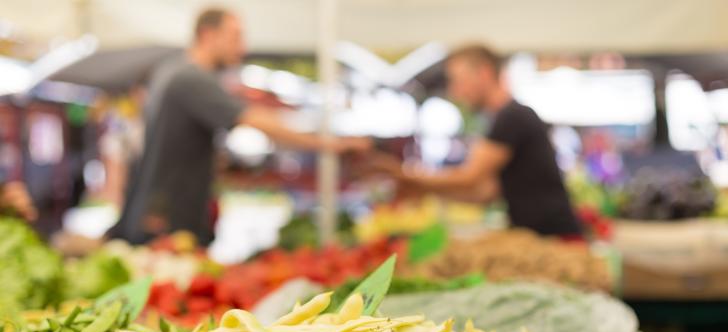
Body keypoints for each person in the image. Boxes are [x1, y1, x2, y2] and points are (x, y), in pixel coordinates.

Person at [111, 8, 368, 244]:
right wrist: (330, 144)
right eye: (235, 37)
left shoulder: (171, 70)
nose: (242, 48)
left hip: (156, 208)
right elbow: (255, 119)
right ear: (207, 35)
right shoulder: (191, 78)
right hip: (169, 216)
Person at [375, 45, 581, 237]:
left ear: (484, 73)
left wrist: (405, 175)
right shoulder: (507, 117)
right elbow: (485, 193)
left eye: (458, 80)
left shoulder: (511, 117)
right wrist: (426, 188)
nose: (455, 91)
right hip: (543, 234)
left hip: (552, 237)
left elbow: (470, 177)